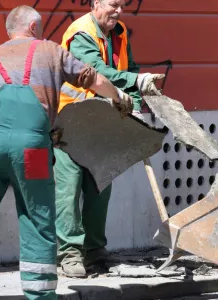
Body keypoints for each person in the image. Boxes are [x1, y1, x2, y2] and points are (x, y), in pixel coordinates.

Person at [0, 5, 132, 300]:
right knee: (37, 217)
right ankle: (40, 295)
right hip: (32, 152)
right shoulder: (51, 51)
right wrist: (119, 97)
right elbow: (93, 79)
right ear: (32, 27)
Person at [54, 0, 164, 277]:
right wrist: (135, 81)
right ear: (95, 4)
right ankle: (69, 254)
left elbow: (130, 70)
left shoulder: (120, 32)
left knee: (100, 187)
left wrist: (136, 108)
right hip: (70, 123)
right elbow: (96, 73)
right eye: (113, 4)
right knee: (68, 191)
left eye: (122, 5)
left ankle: (94, 252)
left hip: (102, 124)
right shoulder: (80, 33)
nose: (118, 11)